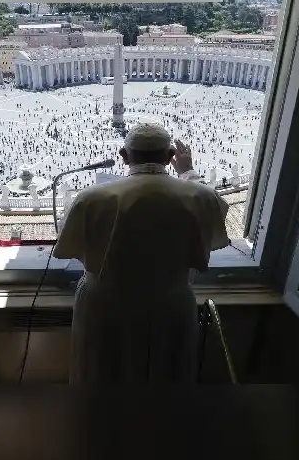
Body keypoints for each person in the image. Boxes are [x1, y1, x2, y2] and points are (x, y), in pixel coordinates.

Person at [52, 122, 230, 384]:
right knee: (168, 376)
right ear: (170, 157)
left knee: (101, 374)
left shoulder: (90, 198)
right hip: (171, 305)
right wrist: (188, 172)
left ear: (124, 156)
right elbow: (213, 216)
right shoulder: (200, 196)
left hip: (105, 306)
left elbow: (71, 245)